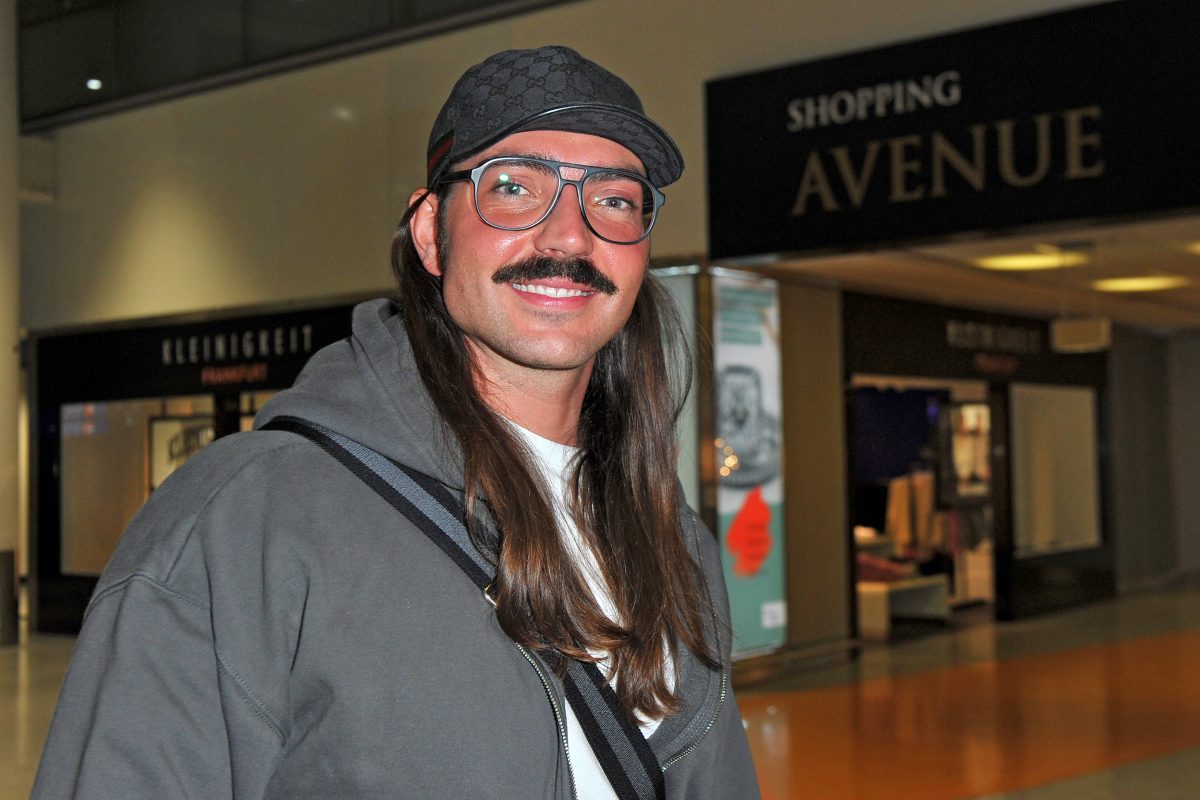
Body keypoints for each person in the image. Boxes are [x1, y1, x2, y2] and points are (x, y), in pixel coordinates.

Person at [32, 46, 760, 799]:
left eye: (614, 200)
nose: (570, 237)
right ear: (429, 234)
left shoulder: (672, 538)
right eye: (513, 188)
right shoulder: (245, 519)